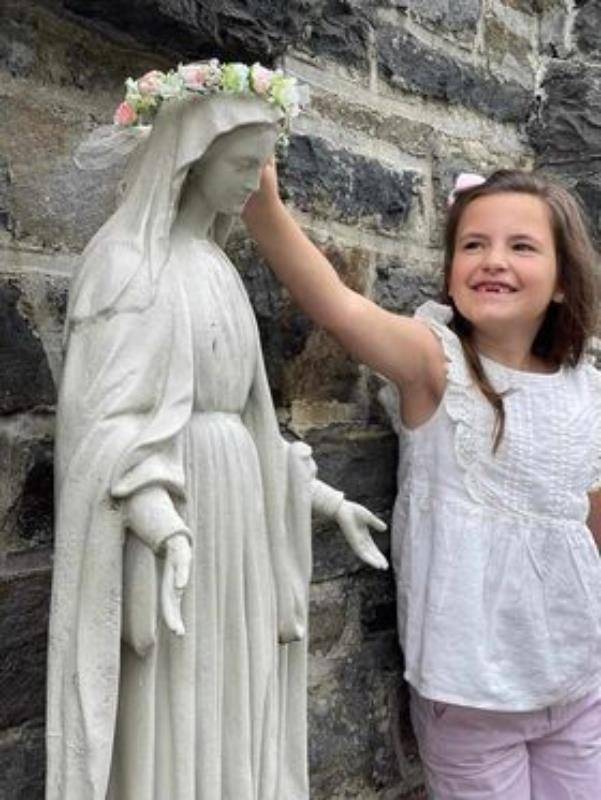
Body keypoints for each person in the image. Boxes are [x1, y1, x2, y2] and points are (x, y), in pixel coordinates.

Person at [46, 62, 387, 800]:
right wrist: (161, 525)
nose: (252, 182)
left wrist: (323, 502)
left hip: (236, 517)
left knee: (235, 698)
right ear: (189, 159)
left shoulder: (217, 268)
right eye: (240, 164)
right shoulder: (127, 265)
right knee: (176, 696)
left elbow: (252, 427)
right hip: (181, 519)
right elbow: (101, 435)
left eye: (261, 164)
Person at [242, 165, 601, 798]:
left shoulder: (587, 388)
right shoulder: (435, 364)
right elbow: (338, 305)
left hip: (578, 682)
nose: (493, 260)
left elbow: (590, 524)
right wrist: (263, 208)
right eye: (473, 244)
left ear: (565, 284)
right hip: (471, 694)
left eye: (521, 246)